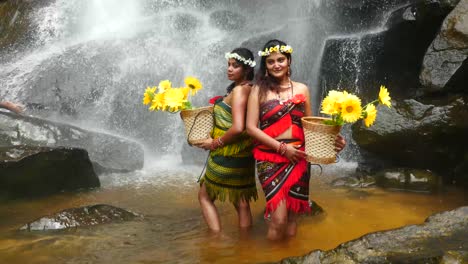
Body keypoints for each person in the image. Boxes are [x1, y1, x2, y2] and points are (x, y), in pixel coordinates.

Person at [246, 39, 346, 241]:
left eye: (281, 60)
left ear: (289, 60)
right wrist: (282, 148)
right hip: (270, 158)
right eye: (271, 61)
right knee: (279, 220)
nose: (276, 65)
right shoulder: (258, 90)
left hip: (298, 159)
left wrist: (333, 140)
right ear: (265, 65)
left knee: (293, 222)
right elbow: (250, 128)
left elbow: (310, 126)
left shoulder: (302, 89)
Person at [193, 48, 258, 232]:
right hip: (244, 154)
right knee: (242, 202)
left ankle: (216, 243)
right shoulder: (250, 89)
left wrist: (214, 143)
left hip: (228, 153)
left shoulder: (239, 92)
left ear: (246, 69)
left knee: (204, 197)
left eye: (235, 66)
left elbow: (238, 127)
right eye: (228, 65)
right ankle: (245, 247)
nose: (229, 69)